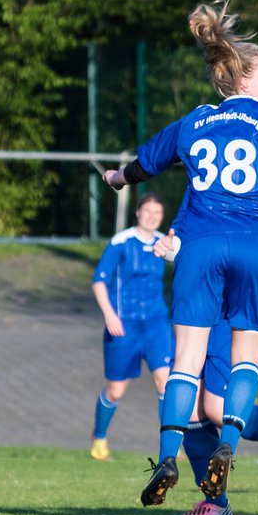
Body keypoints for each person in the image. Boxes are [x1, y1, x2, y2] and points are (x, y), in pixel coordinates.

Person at [102, 0, 258, 507]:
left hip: (199, 247)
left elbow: (142, 165)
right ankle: (227, 446)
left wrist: (117, 179)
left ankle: (166, 455)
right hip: (254, 247)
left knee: (185, 363)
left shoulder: (194, 122)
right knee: (245, 361)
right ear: (246, 79)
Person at [167, 178, 258, 515]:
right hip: (204, 305)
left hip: (242, 308)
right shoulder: (201, 180)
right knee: (190, 408)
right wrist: (169, 249)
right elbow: (182, 240)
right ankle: (216, 502)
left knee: (217, 406)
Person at [88, 193, 172, 461]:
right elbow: (99, 282)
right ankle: (99, 437)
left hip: (157, 325)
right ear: (137, 212)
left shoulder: (165, 244)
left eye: (157, 213)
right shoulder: (121, 242)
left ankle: (170, 445)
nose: (152, 216)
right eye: (147, 211)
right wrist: (110, 315)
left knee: (165, 383)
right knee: (116, 389)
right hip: (124, 327)